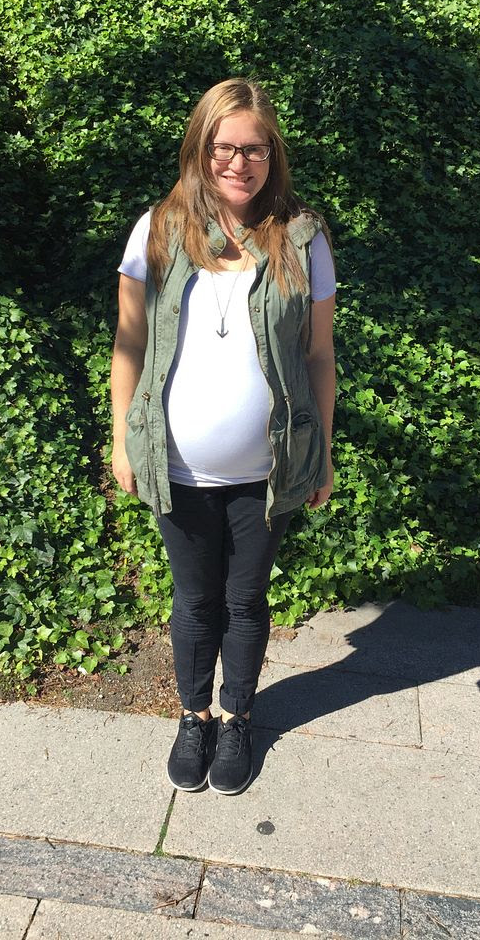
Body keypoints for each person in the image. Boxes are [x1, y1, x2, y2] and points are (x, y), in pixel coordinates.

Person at [110, 78, 336, 795]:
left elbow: (319, 356)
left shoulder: (303, 238)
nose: (240, 162)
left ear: (274, 155)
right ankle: (193, 716)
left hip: (268, 467)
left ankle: (236, 717)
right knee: (194, 599)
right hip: (176, 465)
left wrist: (323, 453)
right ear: (199, 148)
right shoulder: (157, 231)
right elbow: (129, 344)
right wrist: (120, 440)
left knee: (245, 600)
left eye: (255, 149)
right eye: (224, 147)